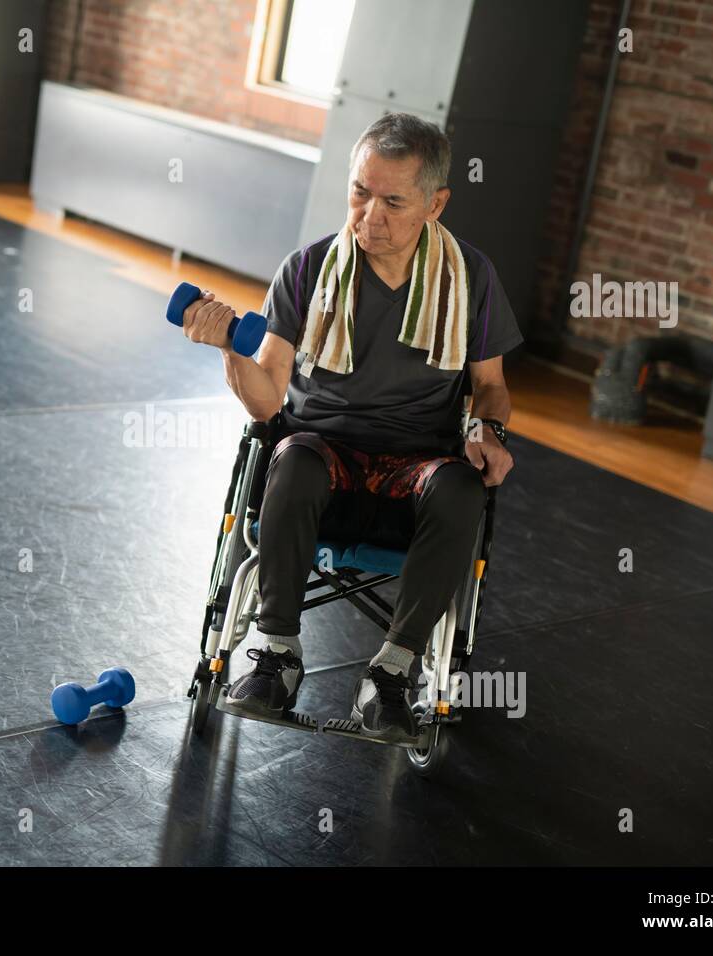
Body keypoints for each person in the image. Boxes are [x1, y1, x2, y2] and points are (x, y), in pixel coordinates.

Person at [181, 112, 523, 740]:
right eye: (361, 192)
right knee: (291, 457)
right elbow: (266, 401)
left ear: (436, 203)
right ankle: (276, 653)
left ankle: (391, 672)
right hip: (323, 450)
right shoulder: (309, 269)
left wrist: (487, 431)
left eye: (394, 201)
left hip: (418, 460)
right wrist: (229, 348)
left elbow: (492, 386)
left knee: (461, 489)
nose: (370, 216)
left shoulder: (470, 277)